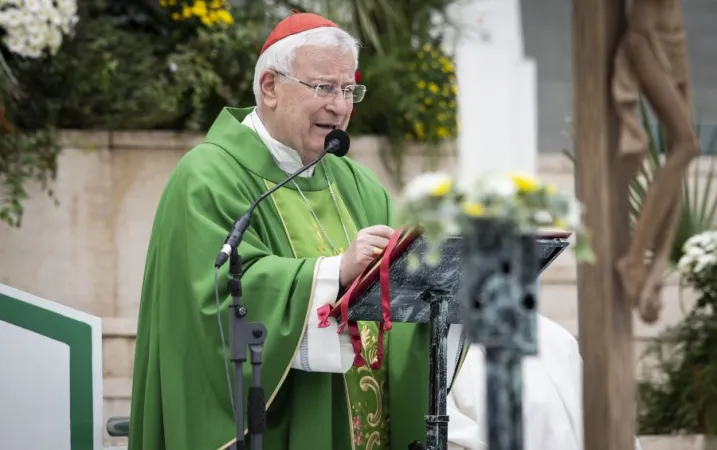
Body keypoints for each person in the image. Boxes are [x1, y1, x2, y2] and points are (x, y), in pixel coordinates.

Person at [128, 12, 437, 450]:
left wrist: (446, 287)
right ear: (270, 87)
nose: (340, 106)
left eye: (349, 90)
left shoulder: (358, 185)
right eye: (324, 87)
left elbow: (401, 310)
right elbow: (208, 304)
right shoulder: (206, 176)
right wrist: (333, 272)